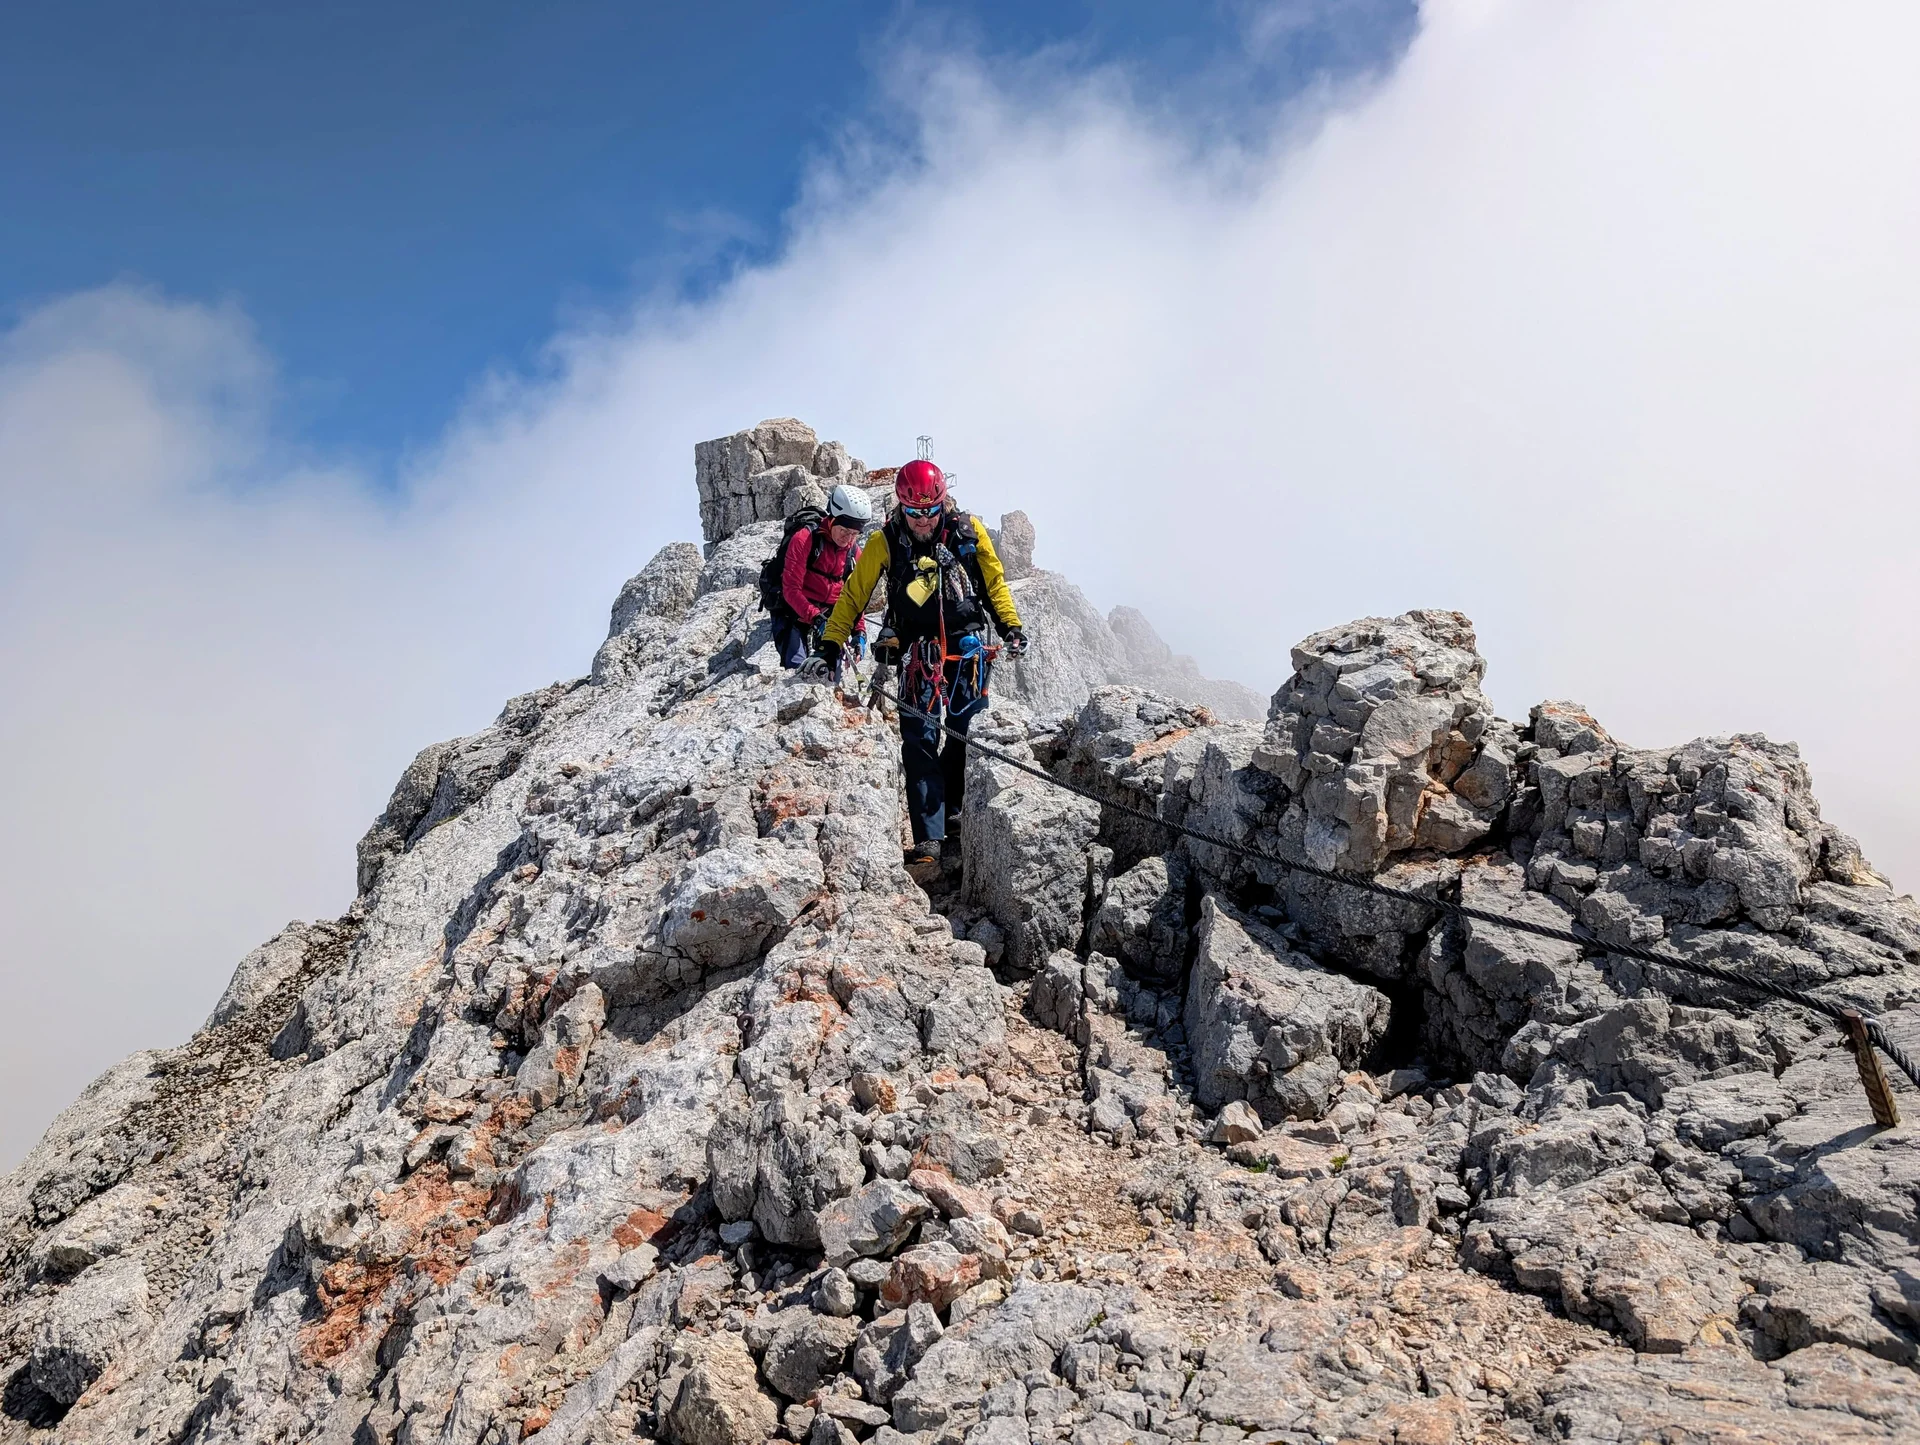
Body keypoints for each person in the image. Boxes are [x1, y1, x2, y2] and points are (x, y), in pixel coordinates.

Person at [801, 457, 1027, 868]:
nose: (922, 520)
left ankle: (954, 812)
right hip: (916, 648)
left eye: (929, 511)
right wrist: (829, 645)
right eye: (913, 513)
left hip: (965, 644)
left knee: (963, 727)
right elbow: (854, 596)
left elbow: (993, 583)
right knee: (920, 738)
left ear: (942, 502)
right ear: (901, 508)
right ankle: (928, 839)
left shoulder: (966, 530)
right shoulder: (885, 541)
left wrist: (1010, 625)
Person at [771, 485, 872, 669]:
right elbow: (791, 590)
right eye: (844, 530)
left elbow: (855, 598)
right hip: (793, 610)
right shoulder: (805, 539)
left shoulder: (854, 553)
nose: (848, 538)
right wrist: (816, 618)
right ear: (832, 519)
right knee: (797, 668)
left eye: (854, 534)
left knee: (829, 671)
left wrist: (859, 632)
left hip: (828, 616)